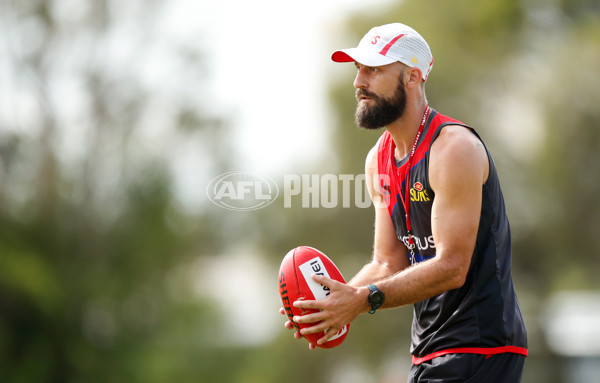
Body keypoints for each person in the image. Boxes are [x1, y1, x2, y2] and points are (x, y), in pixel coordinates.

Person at [280, 23, 528, 382]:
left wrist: (362, 299)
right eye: (358, 69)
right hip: (430, 350)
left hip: (481, 348)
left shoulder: (453, 149)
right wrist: (335, 302)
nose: (358, 82)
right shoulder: (378, 160)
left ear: (412, 77)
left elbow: (453, 266)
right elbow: (387, 261)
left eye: (374, 69)